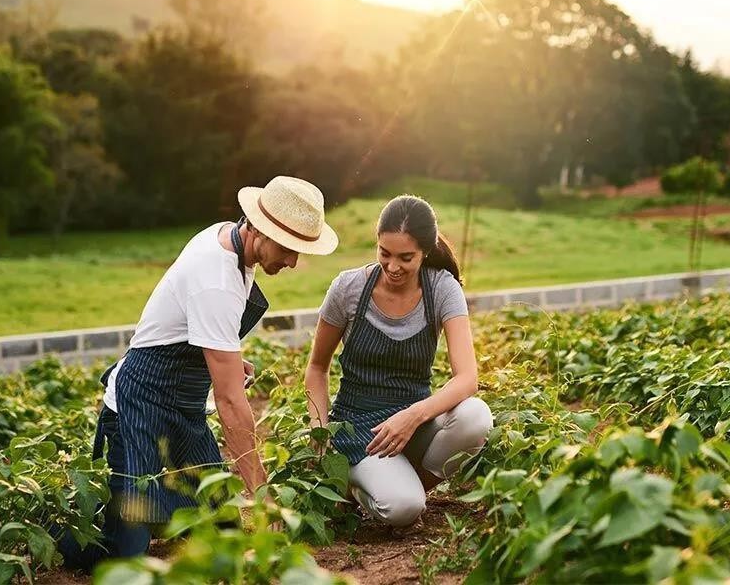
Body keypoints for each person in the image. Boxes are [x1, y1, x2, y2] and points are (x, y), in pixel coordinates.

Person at [59, 176, 339, 569]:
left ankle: (157, 507)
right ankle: (59, 534)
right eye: (288, 249)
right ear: (258, 228)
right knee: (127, 552)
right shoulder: (217, 279)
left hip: (184, 408)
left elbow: (189, 324)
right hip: (139, 406)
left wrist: (217, 355)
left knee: (221, 526)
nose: (292, 261)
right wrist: (261, 491)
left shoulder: (230, 239)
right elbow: (228, 401)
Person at [304, 195, 492, 527]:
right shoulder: (348, 289)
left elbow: (467, 378)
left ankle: (402, 487)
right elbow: (317, 368)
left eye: (406, 258)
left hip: (415, 423)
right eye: (384, 253)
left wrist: (411, 416)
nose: (392, 267)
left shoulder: (441, 288)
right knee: (402, 509)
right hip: (361, 430)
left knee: (475, 416)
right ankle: (355, 487)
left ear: (426, 252)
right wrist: (320, 437)